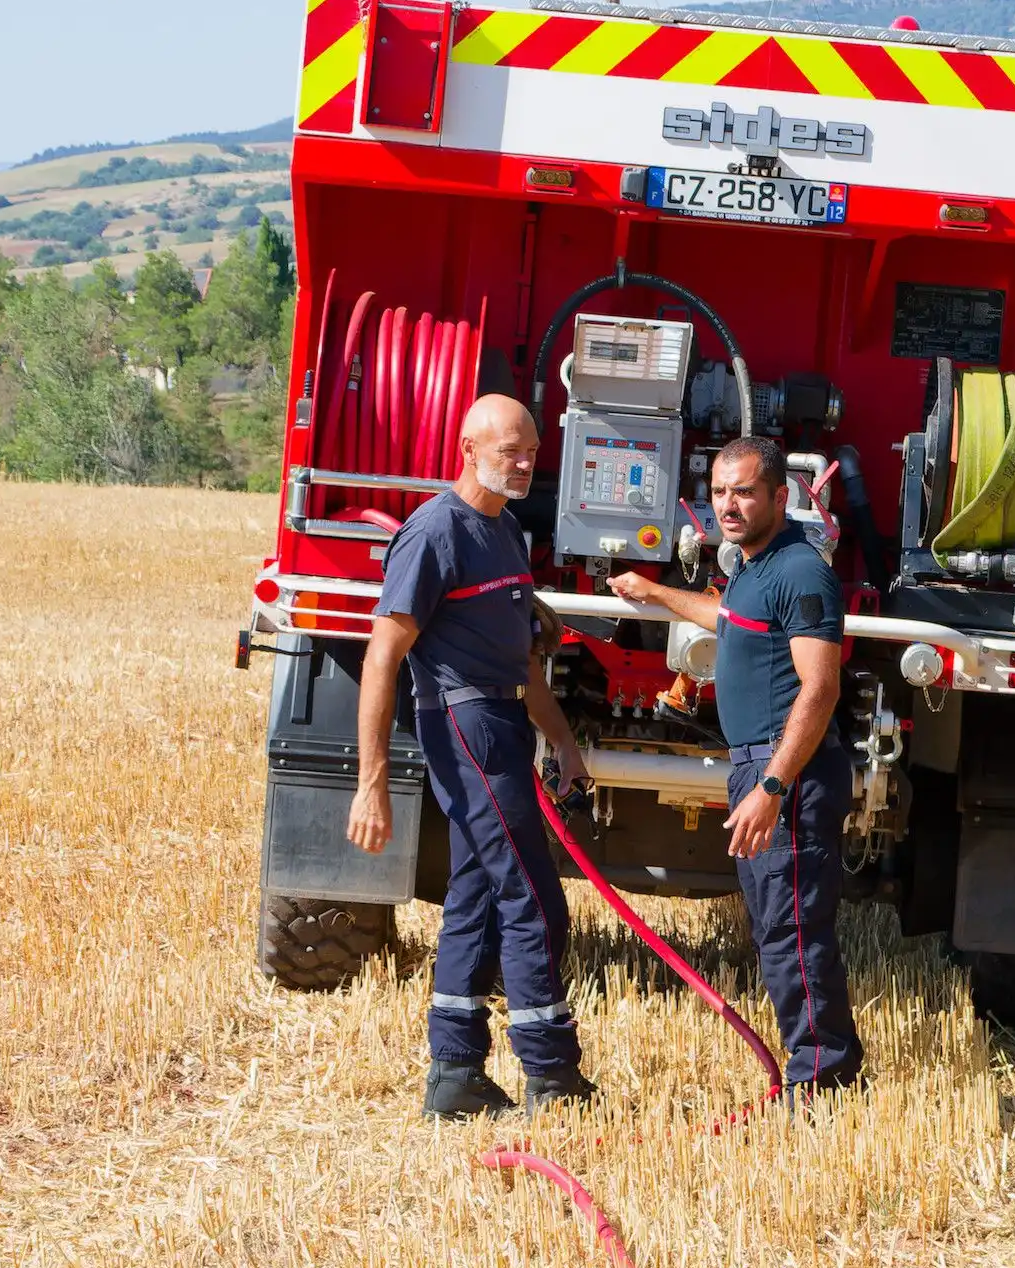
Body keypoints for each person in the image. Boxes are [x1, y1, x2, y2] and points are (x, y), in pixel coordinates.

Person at [350, 393, 594, 1120]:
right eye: (508, 450)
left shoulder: (506, 531)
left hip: (503, 718)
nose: (522, 463)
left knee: (480, 893)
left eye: (530, 451)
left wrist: (563, 739)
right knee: (536, 900)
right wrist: (372, 784)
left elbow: (522, 662)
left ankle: (455, 1073)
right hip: (463, 724)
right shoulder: (434, 535)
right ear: (467, 447)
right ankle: (552, 1080)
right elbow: (381, 659)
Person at [609, 435, 863, 1093]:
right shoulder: (752, 566)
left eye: (744, 491)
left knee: (794, 934)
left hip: (790, 772)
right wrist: (654, 591)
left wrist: (774, 785)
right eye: (720, 491)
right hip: (760, 767)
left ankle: (825, 1086)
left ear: (782, 496)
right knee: (778, 927)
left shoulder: (800, 571)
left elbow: (820, 686)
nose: (729, 504)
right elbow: (725, 617)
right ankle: (822, 1074)